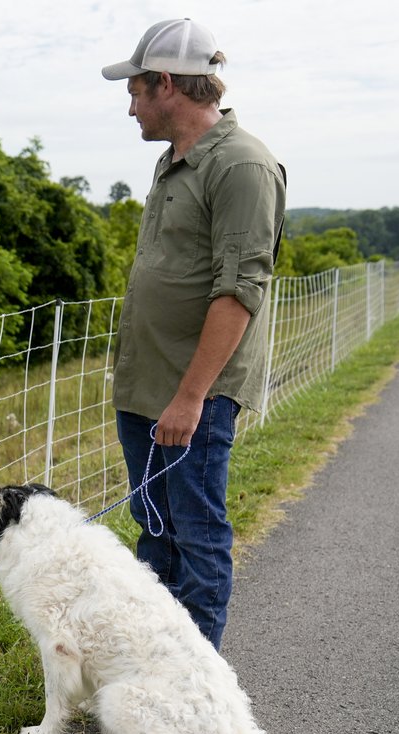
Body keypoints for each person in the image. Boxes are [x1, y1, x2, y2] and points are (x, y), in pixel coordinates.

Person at [102, 19, 286, 651]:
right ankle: (153, 665)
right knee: (154, 528)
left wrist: (191, 397)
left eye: (135, 90)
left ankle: (196, 687)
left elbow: (238, 292)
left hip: (191, 394)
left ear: (164, 85)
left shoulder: (242, 166)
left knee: (196, 534)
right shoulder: (173, 160)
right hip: (147, 385)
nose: (130, 105)